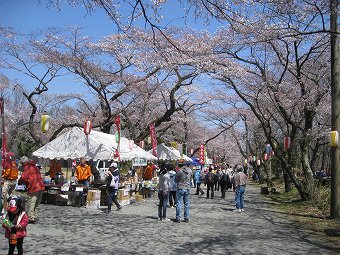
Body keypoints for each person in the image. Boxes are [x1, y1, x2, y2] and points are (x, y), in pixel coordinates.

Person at [17, 156, 45, 223]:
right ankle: (35, 216)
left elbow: (23, 177)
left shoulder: (27, 167)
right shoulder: (34, 166)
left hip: (34, 187)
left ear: (23, 163)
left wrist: (19, 182)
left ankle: (30, 217)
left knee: (31, 202)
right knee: (36, 203)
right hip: (40, 186)